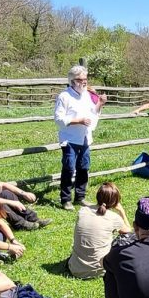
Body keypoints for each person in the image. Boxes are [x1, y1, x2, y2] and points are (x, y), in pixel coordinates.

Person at [53, 65, 98, 209]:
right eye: (80, 79)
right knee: (69, 168)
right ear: (72, 80)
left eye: (85, 79)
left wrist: (100, 103)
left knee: (84, 167)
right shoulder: (64, 96)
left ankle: (80, 197)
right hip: (70, 139)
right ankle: (66, 199)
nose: (84, 82)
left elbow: (93, 112)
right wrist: (78, 121)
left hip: (85, 137)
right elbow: (58, 119)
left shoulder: (86, 95)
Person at [67, 182, 132, 279]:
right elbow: (129, 232)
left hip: (75, 268)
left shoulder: (83, 211)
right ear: (115, 202)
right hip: (100, 270)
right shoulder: (114, 217)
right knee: (124, 239)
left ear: (98, 196)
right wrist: (122, 211)